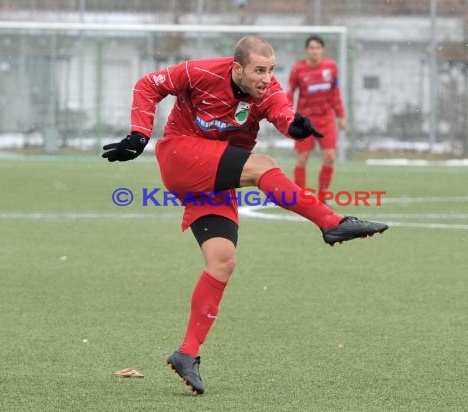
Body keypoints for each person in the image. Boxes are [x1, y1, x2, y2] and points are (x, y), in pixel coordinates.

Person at [102, 36, 387, 396]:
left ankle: (186, 353)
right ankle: (331, 223)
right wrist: (139, 134)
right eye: (258, 70)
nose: (267, 78)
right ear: (237, 68)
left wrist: (293, 126)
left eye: (271, 70)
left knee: (222, 262)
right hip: (181, 156)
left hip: (213, 176)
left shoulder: (268, 90)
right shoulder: (201, 71)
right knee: (263, 166)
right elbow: (148, 85)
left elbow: (282, 110)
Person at [286, 35, 347, 197]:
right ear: (307, 50)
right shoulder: (298, 69)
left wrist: (341, 115)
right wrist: (287, 115)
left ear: (323, 50)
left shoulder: (331, 67)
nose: (314, 51)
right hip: (305, 119)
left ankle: (323, 195)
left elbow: (335, 93)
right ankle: (300, 197)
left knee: (330, 157)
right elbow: (290, 93)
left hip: (326, 117)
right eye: (311, 48)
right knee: (302, 158)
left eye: (318, 48)